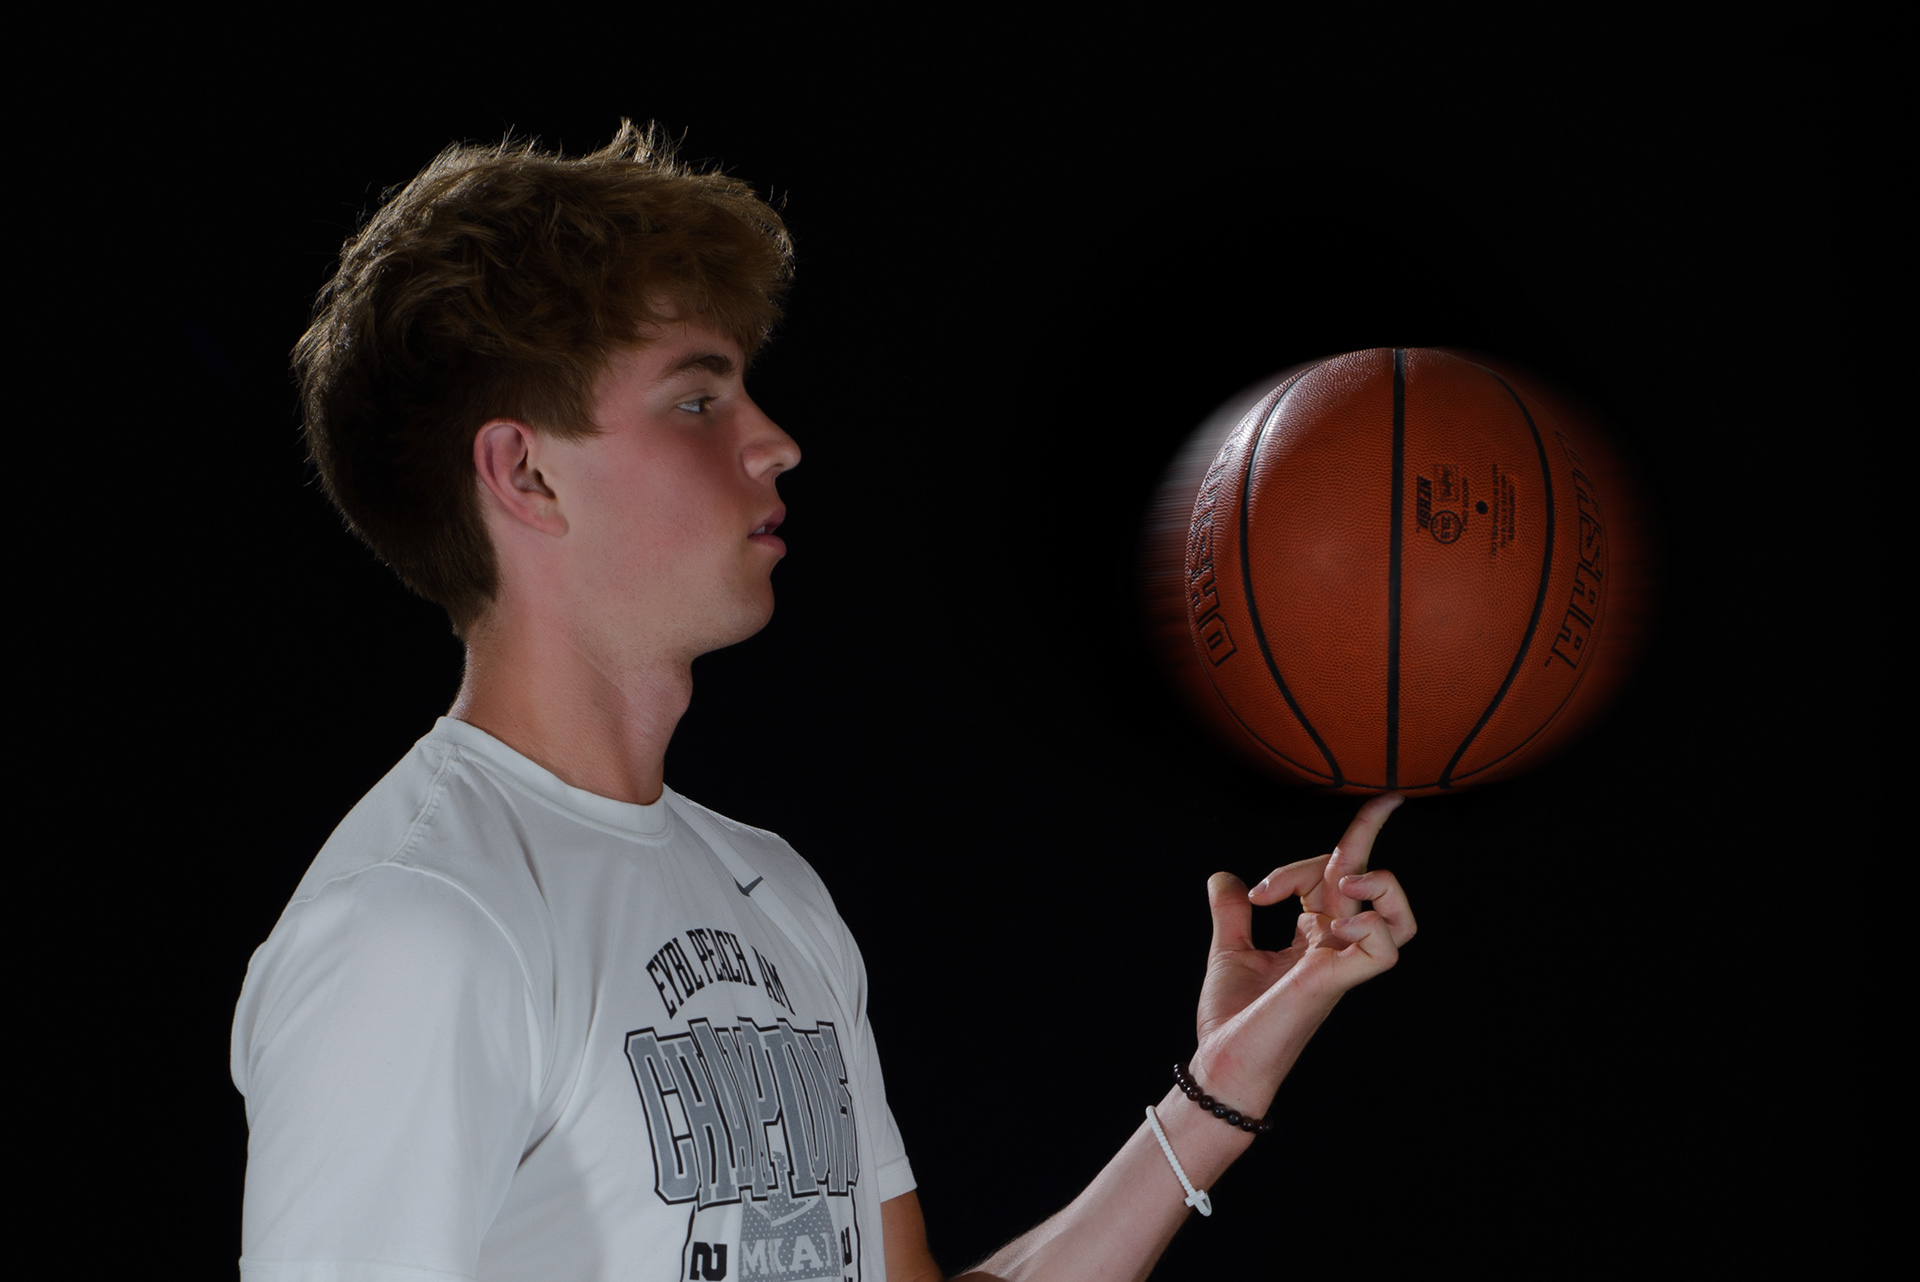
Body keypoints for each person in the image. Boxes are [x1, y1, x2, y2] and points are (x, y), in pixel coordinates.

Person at [231, 121, 1417, 1282]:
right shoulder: (418, 925)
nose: (776, 442)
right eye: (697, 402)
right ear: (526, 472)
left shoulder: (773, 891)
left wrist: (1222, 1086)